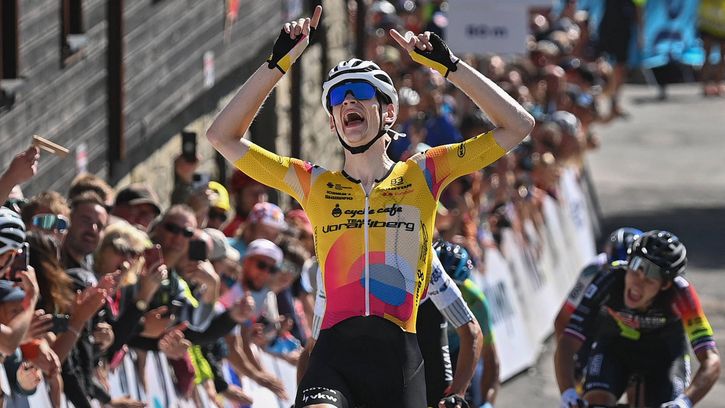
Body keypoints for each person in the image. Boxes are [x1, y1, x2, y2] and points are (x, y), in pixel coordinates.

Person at [206, 6, 533, 406]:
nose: (347, 101)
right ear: (332, 122)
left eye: (360, 93)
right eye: (337, 98)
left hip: (398, 361)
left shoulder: (424, 173)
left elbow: (518, 126)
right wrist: (277, 64)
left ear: (388, 112)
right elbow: (221, 136)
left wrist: (450, 67)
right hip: (334, 358)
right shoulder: (314, 183)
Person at [555, 231, 721, 408]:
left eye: (649, 280)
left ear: (665, 285)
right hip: (615, 347)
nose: (637, 284)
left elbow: (711, 360)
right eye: (635, 270)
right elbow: (568, 340)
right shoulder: (608, 279)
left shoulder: (681, 294)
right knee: (597, 402)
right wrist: (568, 393)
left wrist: (685, 402)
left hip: (665, 355)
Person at [433, 241, 499, 408]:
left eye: (456, 288)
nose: (447, 297)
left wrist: (487, 404)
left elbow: (491, 360)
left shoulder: (476, 300)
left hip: (460, 350)